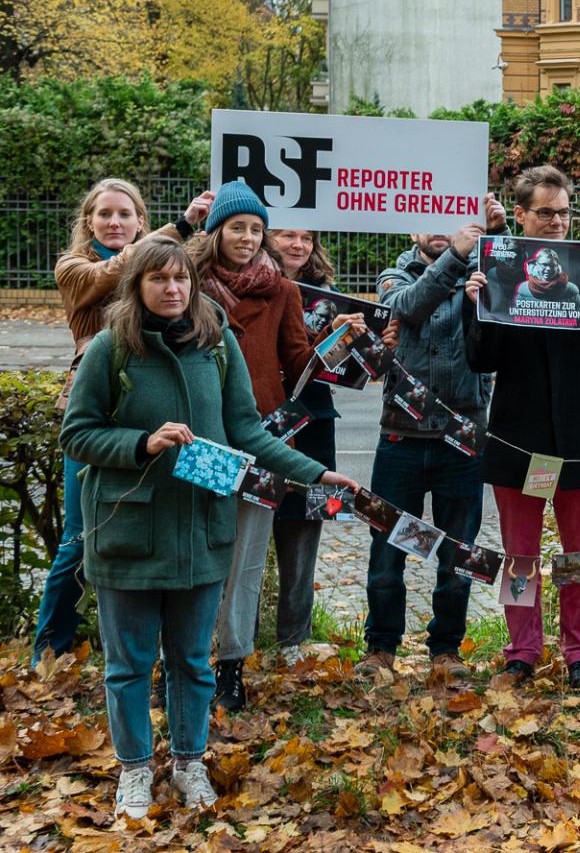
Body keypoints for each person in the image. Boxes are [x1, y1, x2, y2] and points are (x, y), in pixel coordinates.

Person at [60, 237, 359, 819]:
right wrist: (141, 443)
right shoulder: (109, 349)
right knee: (127, 665)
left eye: (181, 280)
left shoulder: (216, 345)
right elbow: (77, 434)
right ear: (137, 286)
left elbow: (248, 432)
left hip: (201, 527)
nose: (173, 290)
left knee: (193, 661)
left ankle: (190, 762)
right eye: (158, 280)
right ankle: (134, 771)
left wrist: (316, 471)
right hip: (128, 532)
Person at [192, 182, 356, 713]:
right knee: (194, 554)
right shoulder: (185, 282)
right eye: (236, 226)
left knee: (244, 560)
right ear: (216, 231)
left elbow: (299, 361)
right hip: (196, 438)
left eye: (255, 229)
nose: (246, 237)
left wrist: (342, 342)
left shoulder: (284, 291)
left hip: (257, 441)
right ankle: (185, 658)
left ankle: (231, 666)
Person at [464, 166, 580, 688]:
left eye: (564, 212)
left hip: (579, 439)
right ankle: (522, 651)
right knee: (520, 557)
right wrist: (479, 308)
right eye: (546, 213)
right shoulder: (501, 271)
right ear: (520, 215)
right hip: (519, 438)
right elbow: (479, 359)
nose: (558, 221)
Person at [34, 179, 212, 660]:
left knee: (148, 531)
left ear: (139, 220)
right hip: (96, 412)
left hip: (149, 416)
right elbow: (118, 271)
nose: (115, 222)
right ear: (88, 220)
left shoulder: (155, 263)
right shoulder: (74, 268)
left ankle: (142, 648)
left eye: (125, 214)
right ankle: (49, 651)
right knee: (79, 537)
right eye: (105, 214)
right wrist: (179, 227)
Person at [356, 195, 508, 679]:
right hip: (400, 438)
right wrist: (458, 256)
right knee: (387, 551)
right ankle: (381, 648)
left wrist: (500, 235)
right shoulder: (393, 277)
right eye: (429, 221)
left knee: (458, 554)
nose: (442, 229)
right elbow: (409, 307)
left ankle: (446, 649)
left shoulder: (482, 274)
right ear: (409, 232)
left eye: (453, 221)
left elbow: (519, 287)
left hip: (462, 439)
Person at [265, 229, 342, 668]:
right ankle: (237, 636)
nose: (298, 245)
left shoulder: (329, 297)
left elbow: (341, 369)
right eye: (287, 235)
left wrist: (357, 343)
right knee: (250, 525)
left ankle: (293, 639)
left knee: (304, 527)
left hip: (314, 420)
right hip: (261, 419)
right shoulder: (247, 285)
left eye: (307, 238)